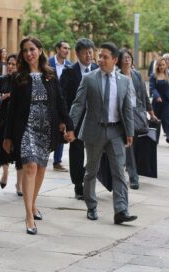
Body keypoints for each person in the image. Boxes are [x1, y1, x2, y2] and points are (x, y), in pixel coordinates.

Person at [3, 37, 74, 235]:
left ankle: (33, 203)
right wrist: (7, 137)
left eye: (32, 49)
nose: (29, 54)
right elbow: (12, 109)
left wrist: (68, 125)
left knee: (41, 167)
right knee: (30, 166)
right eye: (25, 50)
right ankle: (28, 216)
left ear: (40, 51)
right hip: (26, 128)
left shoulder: (50, 75)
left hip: (46, 128)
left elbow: (60, 101)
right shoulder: (18, 77)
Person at [69, 42, 137, 225]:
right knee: (91, 170)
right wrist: (70, 127)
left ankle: (121, 210)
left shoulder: (124, 81)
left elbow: (127, 109)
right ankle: (91, 206)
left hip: (116, 131)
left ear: (115, 60)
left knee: (119, 173)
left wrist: (129, 132)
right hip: (94, 130)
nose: (100, 60)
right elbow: (78, 104)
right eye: (99, 56)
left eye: (105, 57)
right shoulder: (89, 78)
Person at [60, 38, 98, 200]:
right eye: (85, 53)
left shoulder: (98, 69)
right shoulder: (69, 72)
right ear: (78, 54)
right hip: (75, 120)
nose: (89, 56)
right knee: (76, 154)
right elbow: (62, 98)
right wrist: (64, 122)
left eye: (91, 52)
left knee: (95, 153)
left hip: (95, 119)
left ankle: (91, 183)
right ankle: (78, 185)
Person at [117, 48, 158, 189]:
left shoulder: (136, 75)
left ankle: (128, 168)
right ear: (119, 60)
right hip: (123, 114)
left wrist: (151, 112)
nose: (127, 59)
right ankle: (133, 176)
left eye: (129, 57)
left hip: (137, 112)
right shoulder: (116, 76)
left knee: (134, 144)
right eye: (124, 57)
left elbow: (144, 95)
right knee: (129, 144)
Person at [0, 53, 23, 196]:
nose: (11, 67)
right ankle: (5, 173)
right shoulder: (1, 80)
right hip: (4, 120)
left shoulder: (23, 80)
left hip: (19, 121)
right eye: (9, 64)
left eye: (13, 64)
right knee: (3, 149)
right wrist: (2, 97)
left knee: (19, 152)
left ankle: (19, 184)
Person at [48, 41, 71, 172]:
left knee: (62, 129)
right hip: (48, 102)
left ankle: (57, 161)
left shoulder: (69, 66)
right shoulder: (47, 63)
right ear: (57, 49)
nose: (66, 51)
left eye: (68, 48)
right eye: (64, 48)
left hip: (62, 103)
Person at [150, 58, 169, 146]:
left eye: (163, 65)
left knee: (168, 119)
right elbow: (152, 88)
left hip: (168, 101)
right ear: (157, 66)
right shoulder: (153, 76)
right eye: (160, 65)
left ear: (166, 65)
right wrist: (157, 96)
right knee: (156, 120)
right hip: (157, 101)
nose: (162, 67)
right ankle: (153, 139)